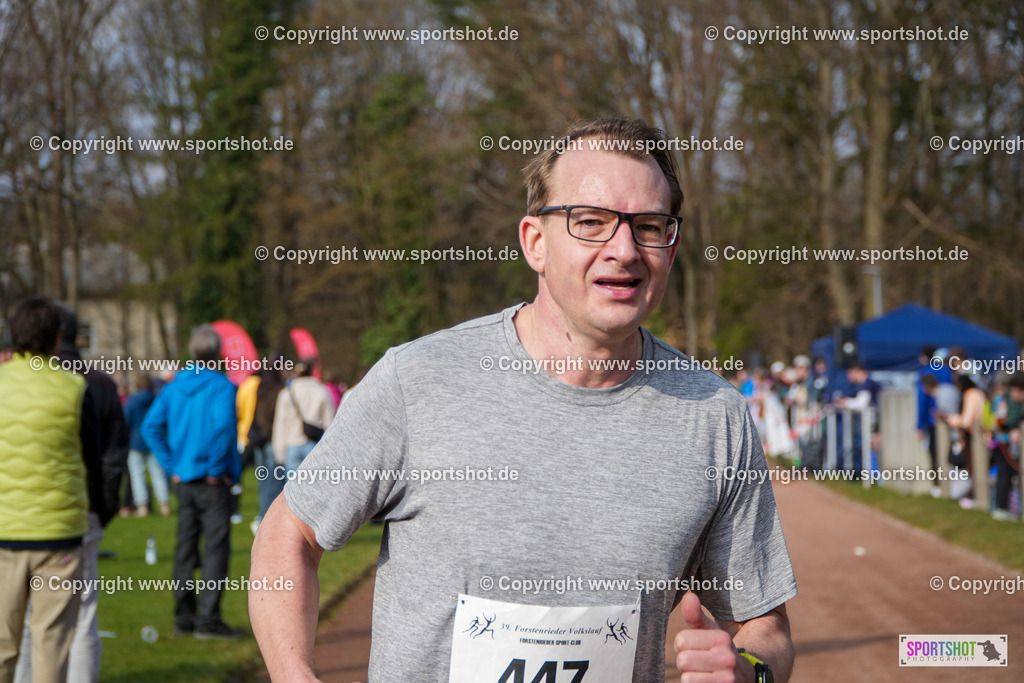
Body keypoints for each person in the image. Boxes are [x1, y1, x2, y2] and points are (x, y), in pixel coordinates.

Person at [250, 116, 796, 682]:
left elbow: (767, 628)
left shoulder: (715, 415)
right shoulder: (418, 382)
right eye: (591, 222)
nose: (625, 250)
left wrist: (750, 670)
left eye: (650, 226)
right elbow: (287, 535)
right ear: (535, 242)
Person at [0, 297, 97, 681]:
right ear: (58, 339)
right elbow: (93, 453)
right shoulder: (74, 387)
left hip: (5, 533)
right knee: (50, 647)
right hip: (59, 534)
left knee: (3, 645)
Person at [140, 324, 245, 639]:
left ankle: (184, 617)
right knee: (215, 550)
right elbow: (224, 428)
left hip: (184, 480)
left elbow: (150, 427)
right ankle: (208, 619)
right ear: (217, 353)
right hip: (212, 481)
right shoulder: (221, 386)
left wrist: (173, 464)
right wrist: (214, 468)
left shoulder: (173, 387)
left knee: (185, 548)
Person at [271, 359, 334, 476]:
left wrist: (279, 452)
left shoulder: (286, 393)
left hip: (292, 444)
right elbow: (329, 422)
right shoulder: (322, 391)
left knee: (292, 490)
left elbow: (280, 424)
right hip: (315, 446)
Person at [124, 373, 170, 517]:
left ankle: (142, 506)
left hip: (136, 442)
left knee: (137, 475)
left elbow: (126, 421)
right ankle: (164, 505)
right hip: (154, 441)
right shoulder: (156, 400)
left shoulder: (132, 401)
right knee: (158, 474)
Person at [943, 374, 988, 509]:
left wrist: (951, 419)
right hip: (981, 435)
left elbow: (967, 420)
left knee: (975, 468)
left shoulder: (970, 395)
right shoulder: (978, 393)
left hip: (977, 438)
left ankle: (976, 497)